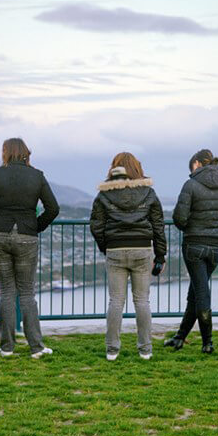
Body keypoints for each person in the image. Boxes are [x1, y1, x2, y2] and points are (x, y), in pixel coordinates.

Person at [0, 138, 59, 358]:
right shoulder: (37, 176)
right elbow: (53, 208)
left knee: (7, 291)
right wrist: (36, 227)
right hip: (27, 236)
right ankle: (36, 347)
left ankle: (7, 347)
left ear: (6, 153)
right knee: (27, 293)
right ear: (26, 153)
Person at [90, 153, 166, 361]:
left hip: (115, 250)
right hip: (142, 250)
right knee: (142, 300)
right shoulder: (148, 193)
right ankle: (145, 349)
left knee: (116, 301)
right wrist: (160, 256)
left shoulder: (104, 195)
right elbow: (158, 226)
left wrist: (106, 246)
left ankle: (112, 350)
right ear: (136, 168)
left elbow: (96, 226)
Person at [166, 149, 218, 354]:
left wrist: (192, 228)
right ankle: (179, 338)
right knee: (196, 292)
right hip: (216, 245)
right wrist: (213, 227)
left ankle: (208, 343)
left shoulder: (190, 185)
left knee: (201, 294)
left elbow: (179, 217)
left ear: (197, 164)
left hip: (194, 245)